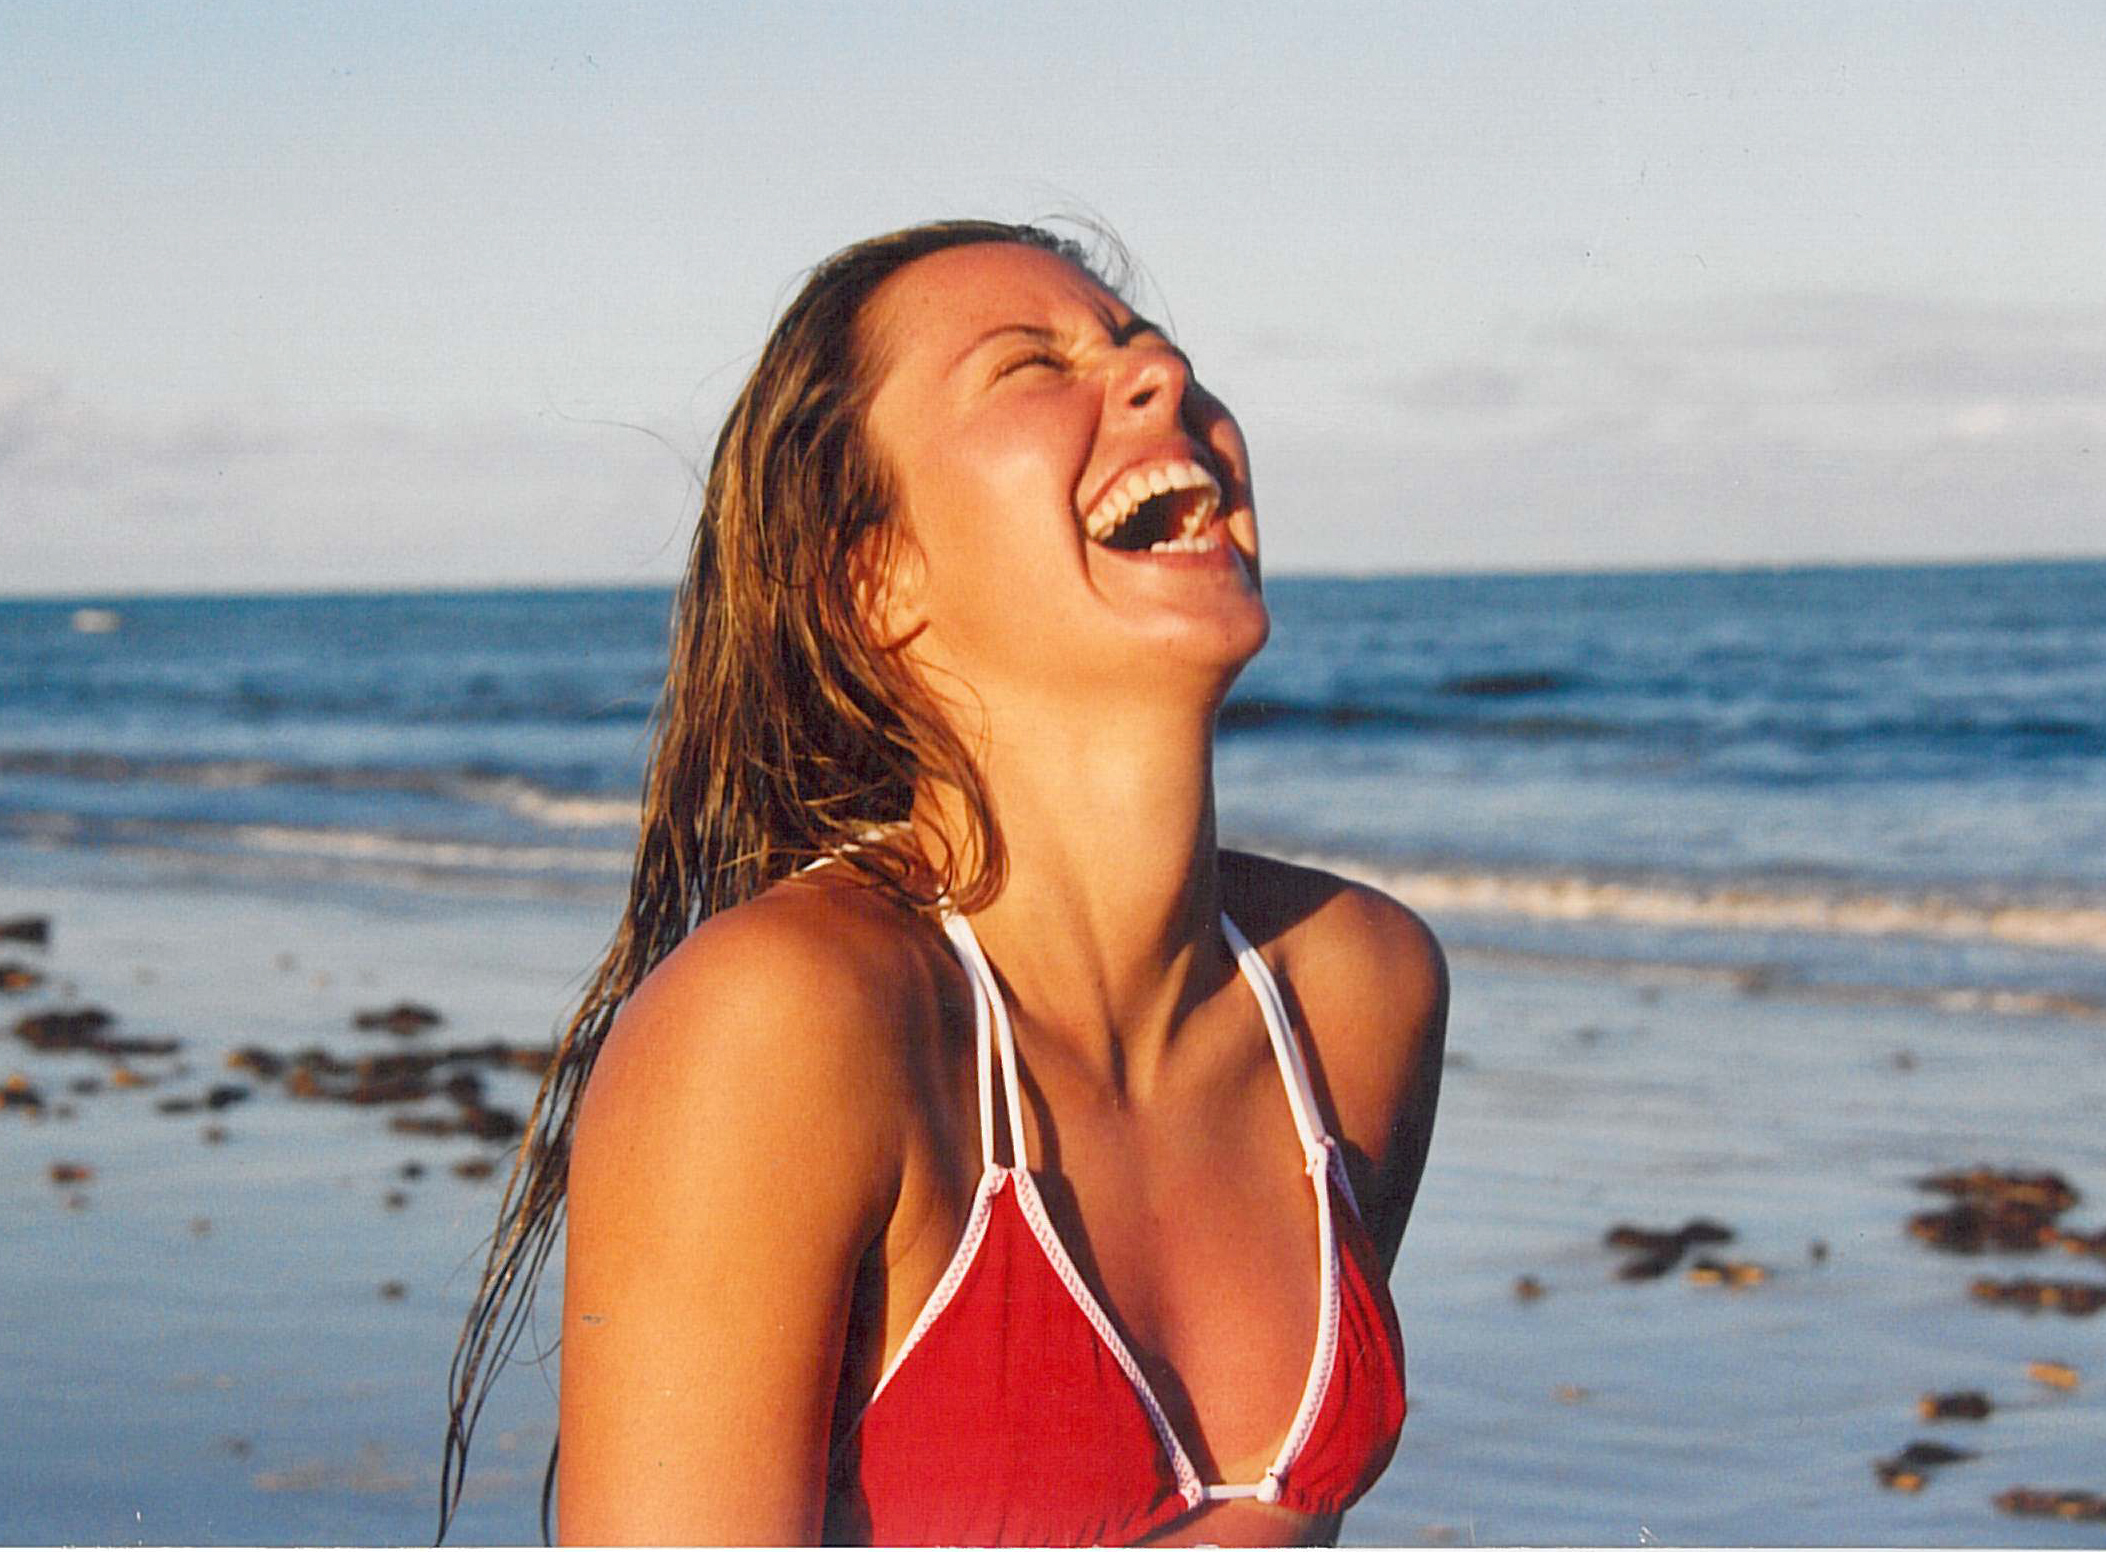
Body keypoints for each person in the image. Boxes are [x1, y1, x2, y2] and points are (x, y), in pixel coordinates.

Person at [442, 220, 1448, 1547]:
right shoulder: (782, 1024)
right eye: (1033, 366)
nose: (1163, 384)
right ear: (878, 580)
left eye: (1149, 351)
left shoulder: (1352, 989)